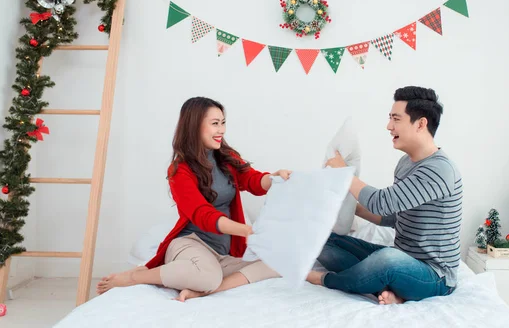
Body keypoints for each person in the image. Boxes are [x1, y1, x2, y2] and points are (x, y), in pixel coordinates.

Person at [97, 97, 291, 301]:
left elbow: (251, 179)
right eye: (215, 124)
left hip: (220, 254)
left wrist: (274, 179)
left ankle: (208, 289)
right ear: (194, 125)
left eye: (223, 123)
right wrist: (246, 230)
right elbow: (202, 214)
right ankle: (137, 276)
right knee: (207, 276)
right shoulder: (179, 170)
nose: (222, 130)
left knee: (278, 262)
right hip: (190, 244)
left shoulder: (227, 156)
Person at [307, 86, 462, 305]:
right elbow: (393, 217)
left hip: (435, 276)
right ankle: (389, 287)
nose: (389, 126)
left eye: (396, 119)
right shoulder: (406, 163)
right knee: (321, 239)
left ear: (421, 123)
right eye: (390, 119)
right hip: (404, 261)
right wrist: (354, 208)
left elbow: (382, 203)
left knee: (387, 260)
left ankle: (327, 279)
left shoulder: (440, 170)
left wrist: (345, 173)